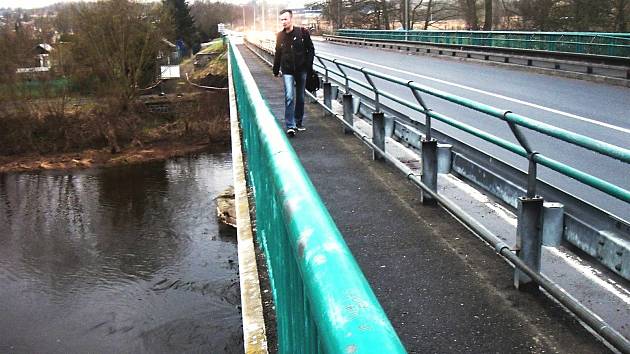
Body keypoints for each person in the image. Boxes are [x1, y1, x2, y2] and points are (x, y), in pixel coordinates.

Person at [272, 9, 315, 137]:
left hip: (302, 69)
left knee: (300, 97)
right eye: (281, 20)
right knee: (289, 96)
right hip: (287, 70)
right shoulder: (280, 36)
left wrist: (308, 65)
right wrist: (275, 69)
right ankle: (290, 125)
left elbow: (311, 49)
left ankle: (298, 122)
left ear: (291, 19)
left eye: (285, 19)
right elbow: (278, 53)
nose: (283, 22)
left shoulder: (302, 33)